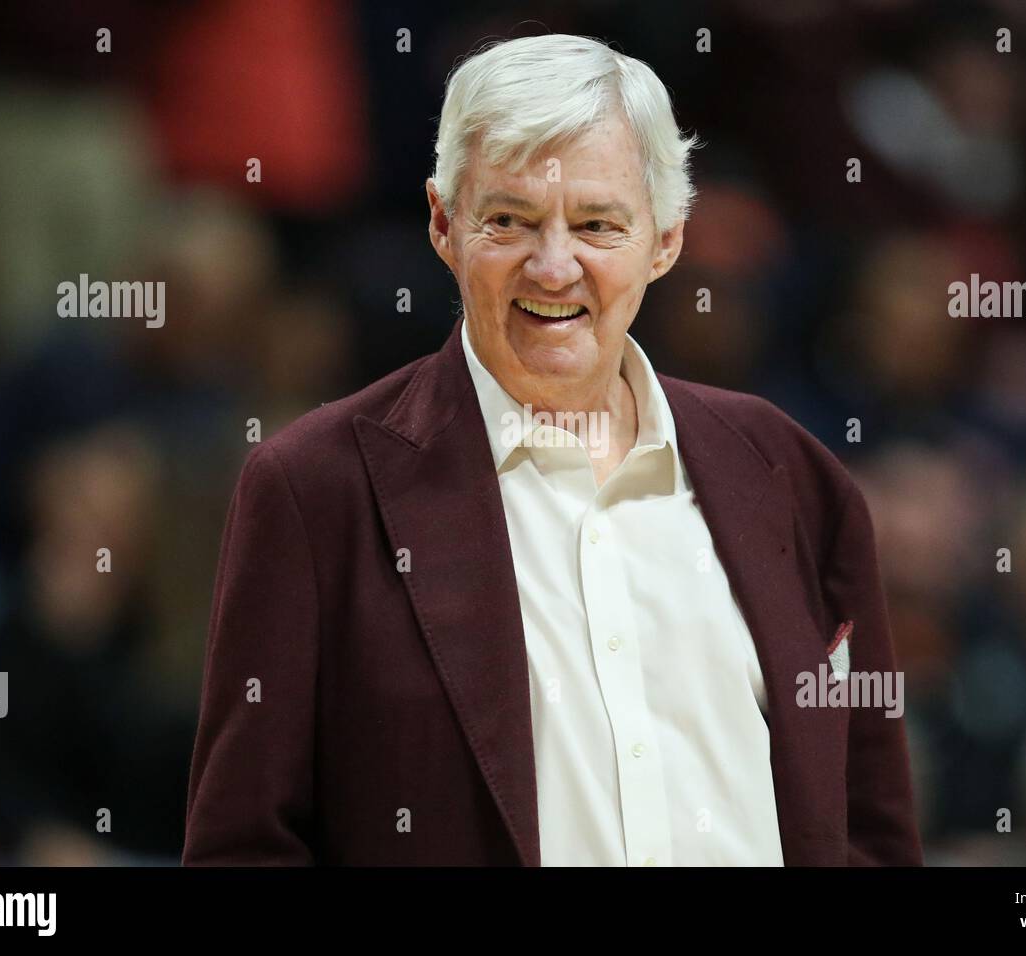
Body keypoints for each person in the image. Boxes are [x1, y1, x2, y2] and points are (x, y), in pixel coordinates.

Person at [183, 33, 922, 866]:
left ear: (667, 239)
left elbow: (872, 831)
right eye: (511, 220)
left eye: (598, 225)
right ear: (442, 224)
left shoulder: (791, 472)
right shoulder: (314, 488)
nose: (554, 266)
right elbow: (245, 848)